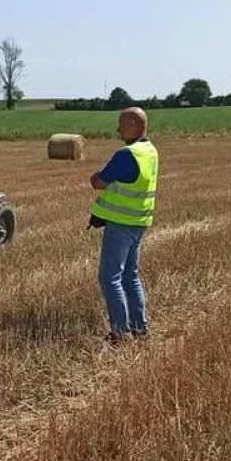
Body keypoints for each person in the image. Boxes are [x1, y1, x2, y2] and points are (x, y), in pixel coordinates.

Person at [88, 106, 159, 343]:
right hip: (139, 221)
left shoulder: (127, 154)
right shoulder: (150, 151)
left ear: (133, 125)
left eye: (121, 125)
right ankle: (139, 327)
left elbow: (99, 182)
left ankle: (121, 332)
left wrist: (95, 176)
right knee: (130, 276)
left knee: (110, 278)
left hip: (121, 224)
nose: (117, 130)